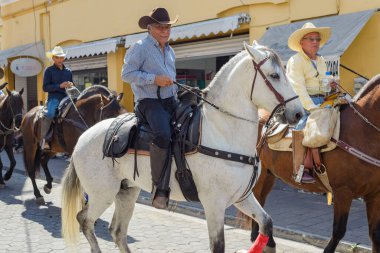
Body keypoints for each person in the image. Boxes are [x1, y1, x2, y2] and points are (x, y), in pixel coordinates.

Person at [121, 7, 178, 209]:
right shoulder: (140, 47)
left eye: (167, 27)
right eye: (160, 27)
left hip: (170, 100)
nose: (165, 30)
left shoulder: (170, 51)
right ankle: (159, 188)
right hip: (149, 102)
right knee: (163, 134)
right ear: (150, 28)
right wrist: (154, 79)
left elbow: (171, 79)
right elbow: (126, 74)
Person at [286, 22, 336, 183]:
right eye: (311, 39)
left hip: (323, 100)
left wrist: (331, 84)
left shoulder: (321, 60)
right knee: (303, 127)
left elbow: (324, 80)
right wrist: (312, 108)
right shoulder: (295, 60)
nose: (315, 42)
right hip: (302, 102)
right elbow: (298, 88)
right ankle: (299, 170)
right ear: (302, 42)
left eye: (317, 39)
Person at [41, 46, 73, 150]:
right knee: (50, 114)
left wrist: (71, 85)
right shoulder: (49, 71)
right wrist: (60, 86)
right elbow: (45, 87)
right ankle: (45, 139)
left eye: (62, 57)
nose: (60, 59)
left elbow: (72, 85)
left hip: (67, 97)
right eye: (58, 57)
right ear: (53, 58)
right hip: (54, 98)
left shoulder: (68, 71)